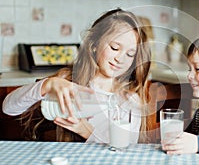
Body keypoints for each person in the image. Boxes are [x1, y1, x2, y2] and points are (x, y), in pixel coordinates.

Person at [3, 8, 151, 143]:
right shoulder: (68, 82)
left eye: (130, 54)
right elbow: (8, 108)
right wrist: (47, 84)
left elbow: (127, 146)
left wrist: (86, 131)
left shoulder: (129, 99)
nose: (121, 59)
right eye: (115, 48)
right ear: (94, 44)